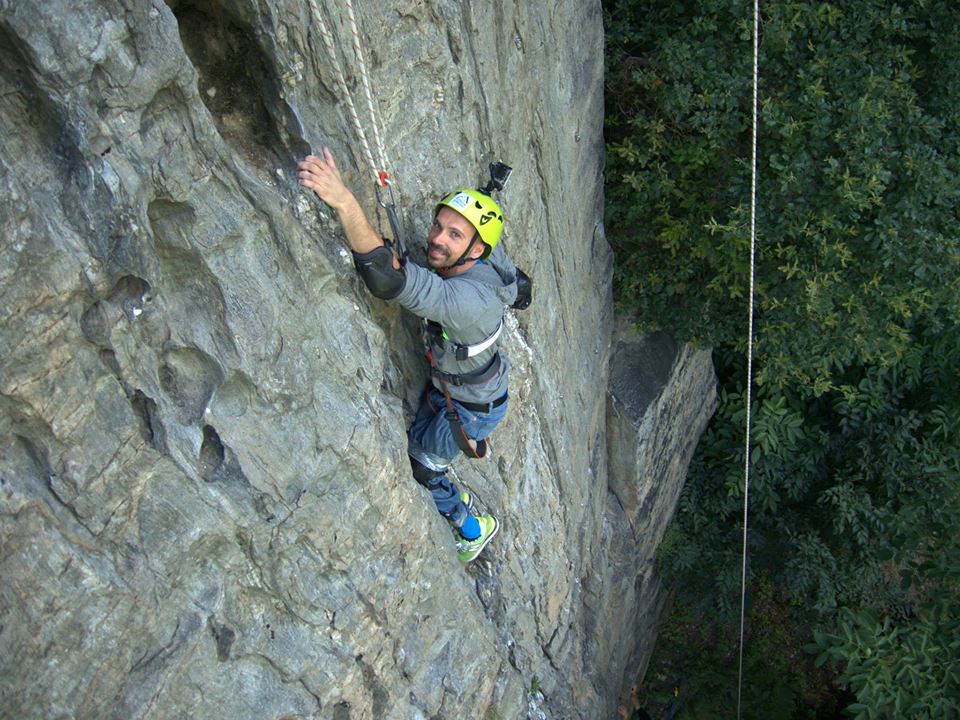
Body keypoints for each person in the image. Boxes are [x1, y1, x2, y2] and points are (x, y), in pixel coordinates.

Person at [297, 148, 519, 563]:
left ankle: (473, 528)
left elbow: (387, 277)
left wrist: (344, 200)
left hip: (469, 406)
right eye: (439, 225)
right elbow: (519, 284)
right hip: (464, 388)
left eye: (454, 236)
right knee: (426, 439)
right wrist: (487, 196)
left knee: (422, 465)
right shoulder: (492, 260)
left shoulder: (467, 302)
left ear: (477, 251)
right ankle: (451, 479)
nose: (436, 238)